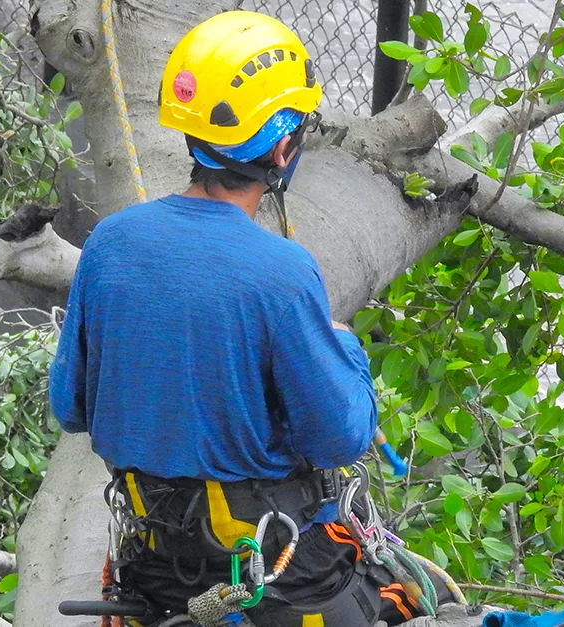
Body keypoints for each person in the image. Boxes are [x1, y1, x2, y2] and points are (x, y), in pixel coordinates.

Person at [48, 10, 444, 627]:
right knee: (422, 602)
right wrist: (344, 354)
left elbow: (71, 405)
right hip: (275, 575)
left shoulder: (111, 244)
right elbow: (340, 436)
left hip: (149, 571)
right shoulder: (282, 273)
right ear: (284, 145)